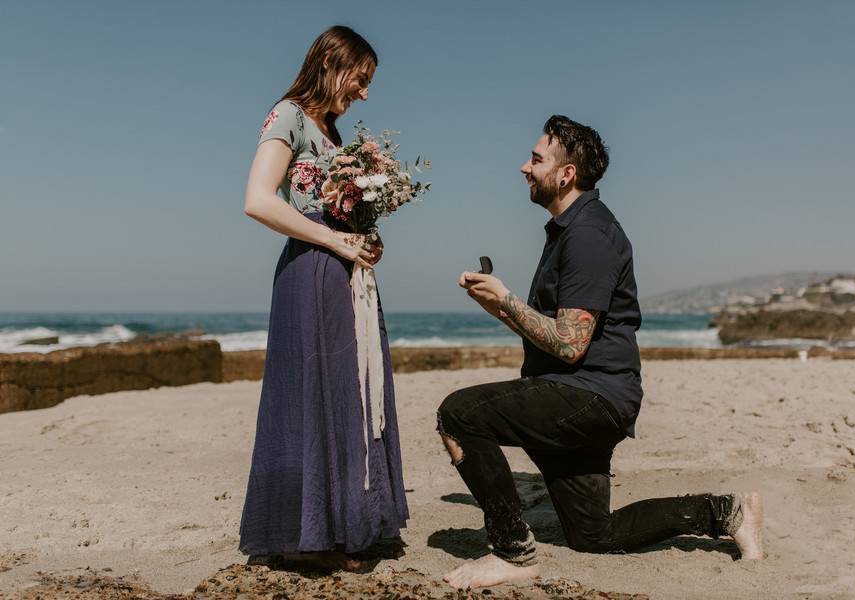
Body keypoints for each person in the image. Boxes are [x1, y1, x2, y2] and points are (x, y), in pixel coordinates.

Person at [436, 115, 764, 589]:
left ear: (566, 174)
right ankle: (727, 512)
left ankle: (512, 552)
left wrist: (508, 300)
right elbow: (557, 332)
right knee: (595, 533)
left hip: (589, 396)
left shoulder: (589, 235)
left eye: (535, 158)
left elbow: (570, 345)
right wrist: (500, 306)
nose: (523, 167)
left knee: (459, 415)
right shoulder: (571, 229)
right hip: (585, 393)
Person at [239, 25, 408, 570]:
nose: (364, 93)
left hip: (346, 278)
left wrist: (365, 236)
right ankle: (311, 535)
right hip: (309, 272)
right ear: (333, 64)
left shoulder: (334, 136)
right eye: (361, 79)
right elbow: (259, 201)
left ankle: (348, 525)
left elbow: (339, 211)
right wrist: (335, 238)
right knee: (314, 395)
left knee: (352, 394)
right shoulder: (286, 114)